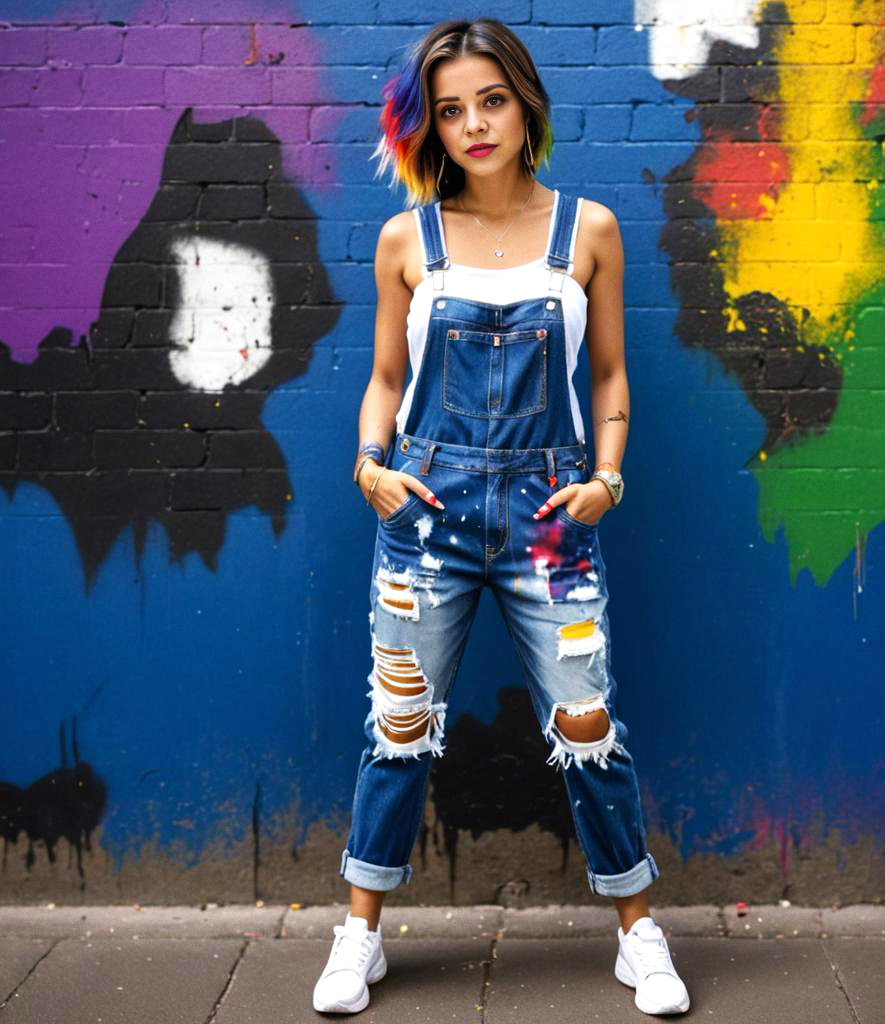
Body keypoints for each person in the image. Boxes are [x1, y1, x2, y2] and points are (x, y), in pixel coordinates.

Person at [313, 18, 690, 1018]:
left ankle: (637, 931)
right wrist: (369, 466)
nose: (474, 124)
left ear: (525, 103)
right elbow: (386, 378)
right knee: (397, 725)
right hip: (426, 509)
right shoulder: (407, 238)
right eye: (450, 109)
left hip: (548, 517)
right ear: (430, 127)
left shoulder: (590, 230)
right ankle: (360, 936)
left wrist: (606, 477)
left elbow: (608, 375)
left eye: (491, 100)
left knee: (587, 721)